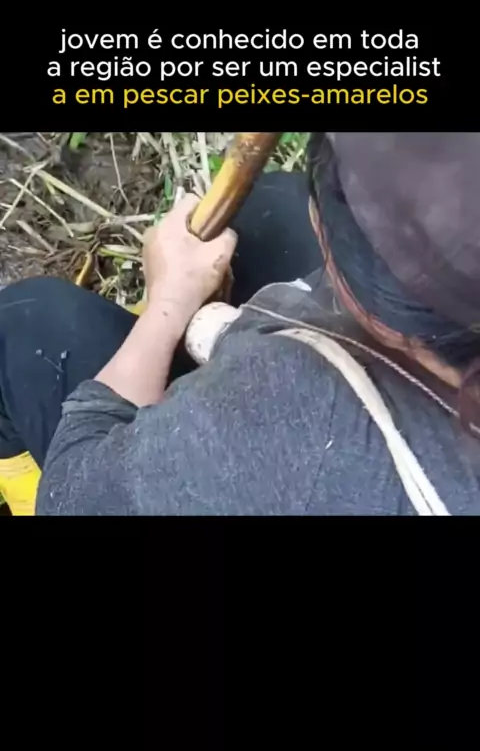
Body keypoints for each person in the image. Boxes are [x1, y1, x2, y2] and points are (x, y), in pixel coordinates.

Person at [1, 132, 480, 515]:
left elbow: (73, 499)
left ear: (376, 309)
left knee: (32, 327)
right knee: (273, 210)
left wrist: (167, 307)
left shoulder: (300, 417)